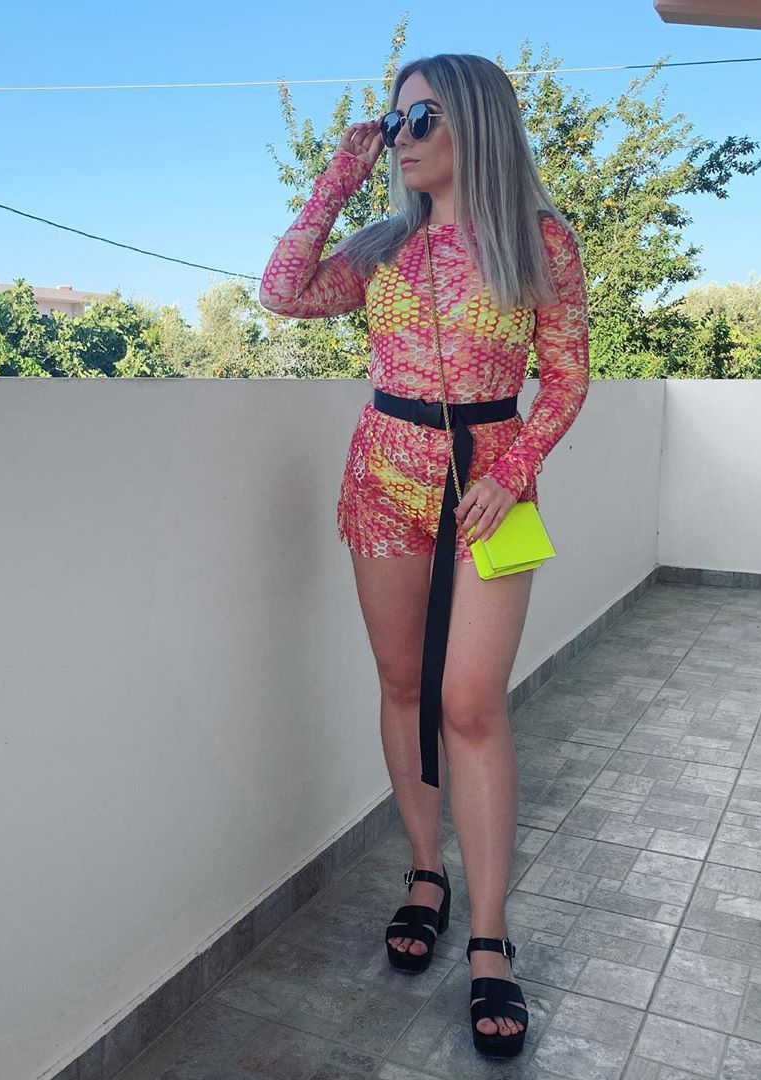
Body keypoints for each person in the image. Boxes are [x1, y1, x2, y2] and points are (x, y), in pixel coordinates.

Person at [258, 53, 589, 1059]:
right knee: (403, 684)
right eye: (395, 120)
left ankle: (489, 936)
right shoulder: (380, 246)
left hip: (494, 488)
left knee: (471, 703)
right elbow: (281, 292)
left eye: (421, 119)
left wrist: (516, 468)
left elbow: (567, 375)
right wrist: (340, 175)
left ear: (475, 122)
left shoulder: (539, 240)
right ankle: (424, 872)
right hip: (383, 476)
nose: (402, 136)